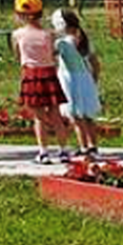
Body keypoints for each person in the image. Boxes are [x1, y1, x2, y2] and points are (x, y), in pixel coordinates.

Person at [10, 0, 71, 163]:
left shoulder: (17, 35)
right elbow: (53, 54)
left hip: (31, 74)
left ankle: (43, 152)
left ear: (20, 14)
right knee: (55, 114)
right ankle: (64, 150)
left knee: (39, 117)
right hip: (49, 73)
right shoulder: (49, 34)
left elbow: (17, 56)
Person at [51, 8, 103, 158]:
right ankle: (93, 146)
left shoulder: (63, 43)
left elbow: (51, 54)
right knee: (88, 116)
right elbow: (95, 64)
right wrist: (93, 80)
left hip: (70, 81)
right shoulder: (84, 40)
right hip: (86, 79)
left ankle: (83, 147)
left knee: (76, 116)